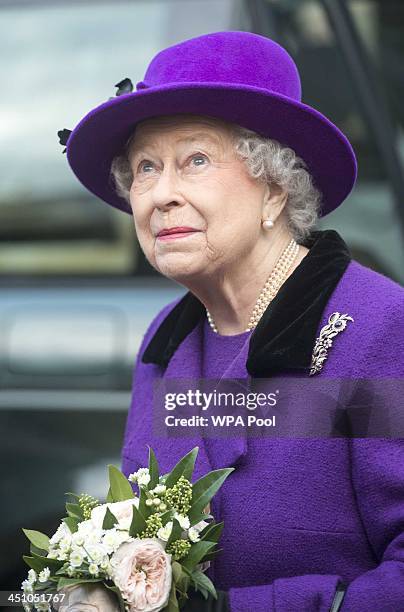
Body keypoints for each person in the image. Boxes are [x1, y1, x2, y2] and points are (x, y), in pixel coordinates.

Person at [60, 31, 404, 612]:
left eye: (195, 160)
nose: (161, 194)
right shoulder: (164, 347)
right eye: (146, 167)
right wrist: (108, 589)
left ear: (274, 188)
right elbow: (147, 540)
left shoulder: (377, 332)